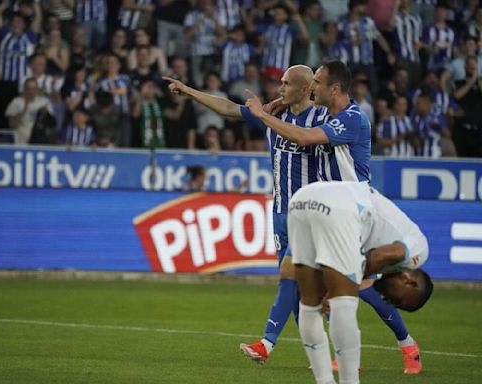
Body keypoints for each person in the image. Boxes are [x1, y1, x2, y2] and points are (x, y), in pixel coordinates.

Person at [245, 60, 423, 374]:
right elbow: (293, 117)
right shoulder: (328, 114)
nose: (312, 85)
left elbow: (303, 138)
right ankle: (281, 345)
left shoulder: (352, 119)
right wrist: (277, 103)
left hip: (355, 212)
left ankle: (406, 344)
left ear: (334, 88)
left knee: (360, 287)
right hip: (329, 211)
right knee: (299, 275)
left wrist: (261, 114)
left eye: (317, 80)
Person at [164, 64, 328, 365]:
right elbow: (228, 108)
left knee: (289, 278)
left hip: (310, 213)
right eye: (280, 82)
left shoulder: (322, 117)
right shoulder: (275, 114)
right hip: (281, 213)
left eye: (287, 83)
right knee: (296, 291)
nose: (280, 88)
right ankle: (327, 355)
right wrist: (188, 91)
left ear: (306, 88)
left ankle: (267, 342)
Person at [287, 180, 433, 384]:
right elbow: (377, 258)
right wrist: (338, 287)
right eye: (398, 300)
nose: (389, 301)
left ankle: (324, 381)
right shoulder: (420, 251)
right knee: (343, 303)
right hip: (341, 207)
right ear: (409, 282)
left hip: (300, 201)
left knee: (310, 302)